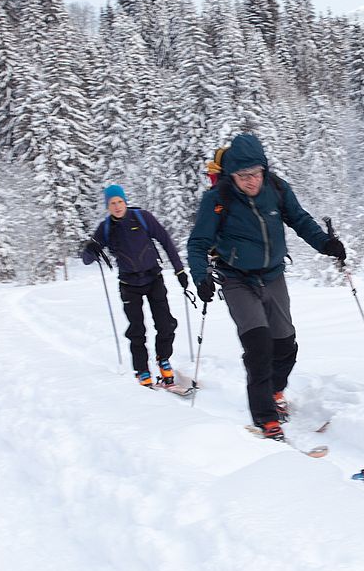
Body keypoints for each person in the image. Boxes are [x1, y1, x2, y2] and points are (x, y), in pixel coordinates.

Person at [186, 133, 345, 440]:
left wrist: (325, 243)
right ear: (232, 174)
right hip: (237, 280)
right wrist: (201, 276)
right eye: (244, 175)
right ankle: (266, 420)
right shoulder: (218, 199)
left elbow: (300, 220)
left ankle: (274, 392)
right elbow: (198, 243)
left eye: (256, 173)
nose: (251, 181)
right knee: (258, 348)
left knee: (285, 345)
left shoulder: (276, 188)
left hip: (273, 276)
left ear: (264, 169)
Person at [81, 184, 190, 389]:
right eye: (112, 203)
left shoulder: (142, 217)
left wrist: (180, 271)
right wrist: (91, 249)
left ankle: (163, 359)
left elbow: (166, 241)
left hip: (153, 278)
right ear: (108, 206)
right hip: (128, 284)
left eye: (120, 201)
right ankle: (142, 370)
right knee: (137, 329)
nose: (117, 206)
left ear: (125, 201)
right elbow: (86, 259)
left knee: (165, 324)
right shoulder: (105, 228)